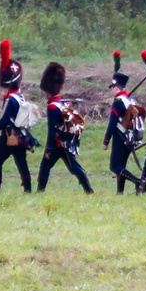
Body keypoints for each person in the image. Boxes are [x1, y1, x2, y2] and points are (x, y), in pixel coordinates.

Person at [0, 41, 37, 194]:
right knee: (22, 163)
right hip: (22, 136)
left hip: (10, 136)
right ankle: (28, 189)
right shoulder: (21, 97)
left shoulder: (10, 99)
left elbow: (6, 119)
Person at [36, 61, 94, 193]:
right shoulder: (62, 104)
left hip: (58, 144)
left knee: (50, 166)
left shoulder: (52, 107)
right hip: (65, 143)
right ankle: (88, 189)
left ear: (48, 91)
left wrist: (48, 148)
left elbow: (52, 130)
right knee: (69, 167)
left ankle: (88, 190)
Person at [103, 53, 144, 194]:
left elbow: (112, 123)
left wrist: (106, 140)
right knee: (121, 165)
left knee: (115, 166)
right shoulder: (130, 100)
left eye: (113, 87)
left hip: (120, 136)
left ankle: (138, 182)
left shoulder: (119, 101)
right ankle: (119, 192)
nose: (112, 89)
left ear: (117, 87)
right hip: (130, 137)